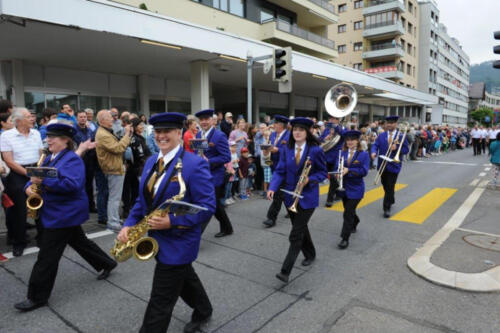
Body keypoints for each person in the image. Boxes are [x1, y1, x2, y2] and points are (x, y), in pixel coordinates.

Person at [117, 112, 215, 333]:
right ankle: (204, 309)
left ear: (179, 133)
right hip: (158, 239)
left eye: (166, 131)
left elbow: (208, 207)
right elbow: (143, 202)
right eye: (158, 131)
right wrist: (129, 224)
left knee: (161, 300)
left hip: (180, 241)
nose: (161, 136)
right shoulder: (152, 160)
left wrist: (171, 221)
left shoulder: (195, 164)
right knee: (184, 277)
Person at [14, 120, 117, 312]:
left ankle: (37, 297)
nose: (48, 140)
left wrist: (44, 180)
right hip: (53, 212)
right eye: (48, 137)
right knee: (80, 242)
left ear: (64, 140)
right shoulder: (49, 157)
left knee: (47, 257)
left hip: (63, 214)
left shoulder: (72, 159)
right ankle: (107, 263)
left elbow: (72, 185)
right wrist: (29, 188)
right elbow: (35, 177)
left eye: (52, 137)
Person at [268, 117, 327, 283]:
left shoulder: (315, 150)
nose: (297, 132)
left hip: (307, 197)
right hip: (289, 196)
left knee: (295, 234)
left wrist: (310, 179)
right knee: (300, 228)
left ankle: (285, 271)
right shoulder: (287, 149)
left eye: (301, 130)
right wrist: (272, 187)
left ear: (308, 132)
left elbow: (323, 173)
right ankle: (311, 253)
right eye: (295, 130)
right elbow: (279, 171)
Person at [1, 107, 43, 256]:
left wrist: (37, 172)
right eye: (28, 117)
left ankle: (42, 238)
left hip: (35, 169)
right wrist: (28, 174)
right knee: (19, 210)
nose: (32, 119)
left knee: (39, 204)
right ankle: (19, 242)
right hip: (17, 173)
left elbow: (40, 154)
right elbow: (8, 160)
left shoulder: (36, 133)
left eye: (32, 116)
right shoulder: (6, 135)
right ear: (18, 121)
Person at [195, 109, 233, 237]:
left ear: (212, 120)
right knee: (215, 205)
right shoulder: (199, 134)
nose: (204, 122)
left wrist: (209, 161)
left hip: (215, 176)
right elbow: (198, 152)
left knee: (209, 204)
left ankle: (195, 234)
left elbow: (226, 157)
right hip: (202, 175)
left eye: (206, 119)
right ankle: (227, 228)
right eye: (201, 120)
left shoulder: (219, 135)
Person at [95, 109, 132, 231]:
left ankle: (114, 218)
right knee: (114, 197)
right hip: (113, 168)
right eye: (110, 117)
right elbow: (118, 148)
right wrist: (127, 134)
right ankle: (113, 222)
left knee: (114, 196)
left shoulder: (105, 131)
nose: (112, 119)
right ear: (103, 120)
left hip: (114, 167)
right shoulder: (103, 134)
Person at [335, 131, 370, 249]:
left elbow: (364, 171)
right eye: (348, 140)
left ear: (357, 141)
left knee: (347, 213)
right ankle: (355, 221)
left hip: (356, 188)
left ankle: (345, 238)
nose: (350, 142)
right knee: (349, 210)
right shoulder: (342, 153)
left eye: (353, 139)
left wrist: (348, 170)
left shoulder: (364, 154)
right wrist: (337, 173)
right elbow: (337, 167)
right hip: (343, 187)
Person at [370, 116, 409, 218]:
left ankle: (386, 208)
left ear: (396, 124)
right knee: (385, 185)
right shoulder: (382, 135)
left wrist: (396, 149)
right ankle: (391, 198)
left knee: (390, 185)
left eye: (392, 123)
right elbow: (375, 145)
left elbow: (406, 150)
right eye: (388, 123)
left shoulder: (401, 135)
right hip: (382, 164)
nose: (389, 125)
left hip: (394, 164)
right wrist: (373, 152)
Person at [262, 115, 290, 228]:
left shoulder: (289, 135)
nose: (273, 125)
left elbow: (290, 150)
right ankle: (292, 208)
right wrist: (266, 151)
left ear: (282, 125)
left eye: (276, 123)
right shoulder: (273, 134)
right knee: (283, 192)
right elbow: (270, 146)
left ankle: (271, 218)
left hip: (285, 167)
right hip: (274, 165)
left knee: (278, 193)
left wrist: (277, 149)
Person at [122, 117, 151, 217]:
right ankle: (127, 209)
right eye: (140, 125)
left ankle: (133, 208)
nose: (142, 126)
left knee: (136, 190)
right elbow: (139, 154)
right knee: (129, 190)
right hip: (134, 168)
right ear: (134, 127)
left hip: (139, 167)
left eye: (142, 124)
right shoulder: (134, 138)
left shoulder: (141, 137)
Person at [74, 110, 98, 212]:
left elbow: (93, 141)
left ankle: (90, 206)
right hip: (79, 160)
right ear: (77, 118)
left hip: (90, 160)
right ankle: (81, 206)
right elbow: (79, 144)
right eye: (81, 117)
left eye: (84, 117)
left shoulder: (89, 130)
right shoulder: (74, 131)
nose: (83, 118)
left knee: (89, 185)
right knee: (80, 184)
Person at [320, 116, 346, 207]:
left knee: (333, 176)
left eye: (333, 118)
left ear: (338, 120)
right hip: (327, 156)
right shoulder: (327, 129)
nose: (330, 120)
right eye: (330, 118)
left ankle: (329, 199)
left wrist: (336, 128)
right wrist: (326, 138)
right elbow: (320, 140)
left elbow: (345, 135)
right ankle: (338, 193)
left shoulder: (342, 128)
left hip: (337, 156)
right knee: (330, 177)